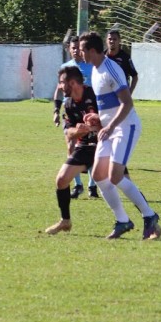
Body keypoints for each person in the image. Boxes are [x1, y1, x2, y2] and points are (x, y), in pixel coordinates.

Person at [79, 31, 161, 240]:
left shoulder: (111, 69)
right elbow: (109, 105)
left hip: (126, 127)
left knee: (115, 176)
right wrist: (97, 118)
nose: (80, 54)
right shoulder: (95, 70)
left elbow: (127, 103)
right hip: (110, 128)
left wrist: (110, 126)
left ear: (92, 50)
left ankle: (149, 215)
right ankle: (123, 220)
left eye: (82, 50)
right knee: (99, 175)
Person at [45, 66, 99, 235]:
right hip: (84, 147)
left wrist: (93, 126)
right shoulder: (68, 104)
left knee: (121, 181)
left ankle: (148, 216)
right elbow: (68, 132)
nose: (60, 86)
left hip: (105, 144)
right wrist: (79, 131)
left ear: (73, 82)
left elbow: (112, 118)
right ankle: (65, 221)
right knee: (61, 180)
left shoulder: (95, 95)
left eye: (62, 83)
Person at [52, 36, 97, 198]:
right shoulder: (65, 68)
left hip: (89, 111)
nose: (77, 50)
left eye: (79, 47)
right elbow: (58, 90)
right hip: (70, 111)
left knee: (92, 146)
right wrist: (56, 111)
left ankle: (92, 185)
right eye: (74, 48)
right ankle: (78, 185)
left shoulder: (91, 66)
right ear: (69, 49)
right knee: (71, 145)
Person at [106, 29, 139, 94]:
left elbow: (135, 76)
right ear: (106, 40)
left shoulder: (125, 57)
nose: (112, 41)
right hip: (106, 94)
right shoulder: (102, 57)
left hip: (121, 94)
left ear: (119, 41)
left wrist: (129, 93)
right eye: (110, 39)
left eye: (115, 39)